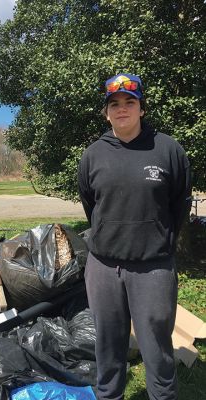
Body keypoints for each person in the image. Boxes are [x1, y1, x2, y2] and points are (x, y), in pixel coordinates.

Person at [78, 73, 192, 400]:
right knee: (108, 346)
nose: (122, 109)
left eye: (130, 102)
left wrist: (156, 240)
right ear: (106, 112)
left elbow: (179, 205)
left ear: (142, 108)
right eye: (114, 104)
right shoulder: (93, 155)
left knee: (157, 348)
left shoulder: (168, 150)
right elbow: (92, 206)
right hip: (103, 268)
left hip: (153, 268)